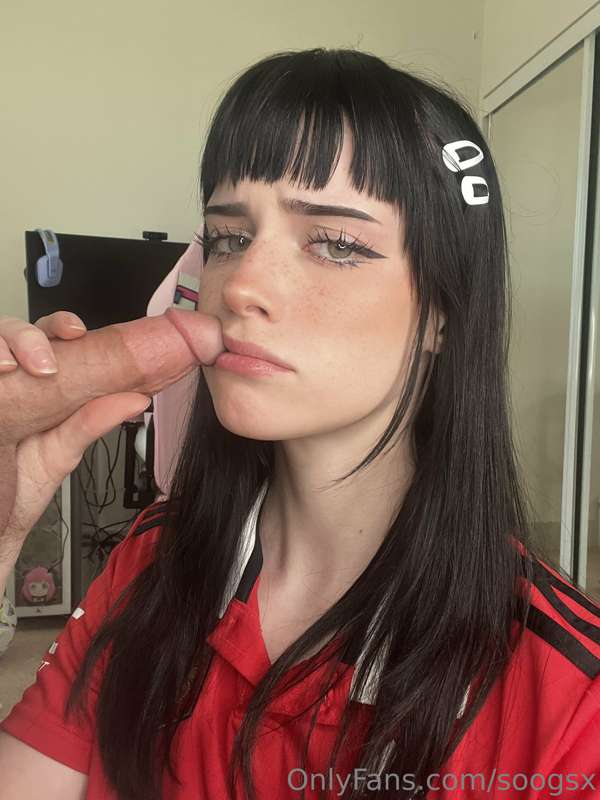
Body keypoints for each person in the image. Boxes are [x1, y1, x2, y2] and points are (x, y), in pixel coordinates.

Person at [1, 46, 599, 800]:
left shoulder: (571, 708)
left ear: (443, 312)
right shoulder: (152, 559)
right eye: (228, 238)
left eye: (338, 243)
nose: (241, 284)